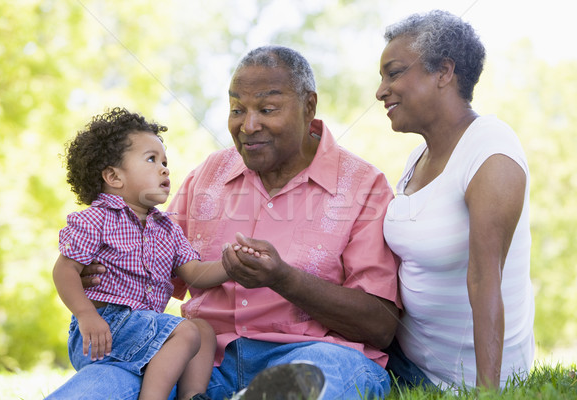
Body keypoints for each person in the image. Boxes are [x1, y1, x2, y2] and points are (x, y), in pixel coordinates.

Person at [75, 45, 402, 399]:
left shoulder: (363, 185)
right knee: (104, 386)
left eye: (267, 109)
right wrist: (103, 268)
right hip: (202, 365)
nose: (248, 125)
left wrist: (283, 278)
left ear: (309, 106)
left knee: (318, 374)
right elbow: (158, 265)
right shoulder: (208, 175)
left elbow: (381, 326)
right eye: (236, 109)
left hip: (310, 353)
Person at [376, 10, 535, 391]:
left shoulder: (490, 149)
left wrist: (486, 393)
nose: (380, 91)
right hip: (404, 357)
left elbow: (484, 277)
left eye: (394, 73)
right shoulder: (418, 157)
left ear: (444, 72)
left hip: (453, 378)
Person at [48, 108, 236, 400]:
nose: (164, 169)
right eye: (152, 160)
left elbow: (194, 274)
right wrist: (86, 315)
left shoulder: (168, 229)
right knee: (186, 331)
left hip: (144, 329)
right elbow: (65, 270)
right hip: (104, 328)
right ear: (113, 176)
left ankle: (193, 396)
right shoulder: (96, 219)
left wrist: (232, 264)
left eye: (164, 162)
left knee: (202, 329)